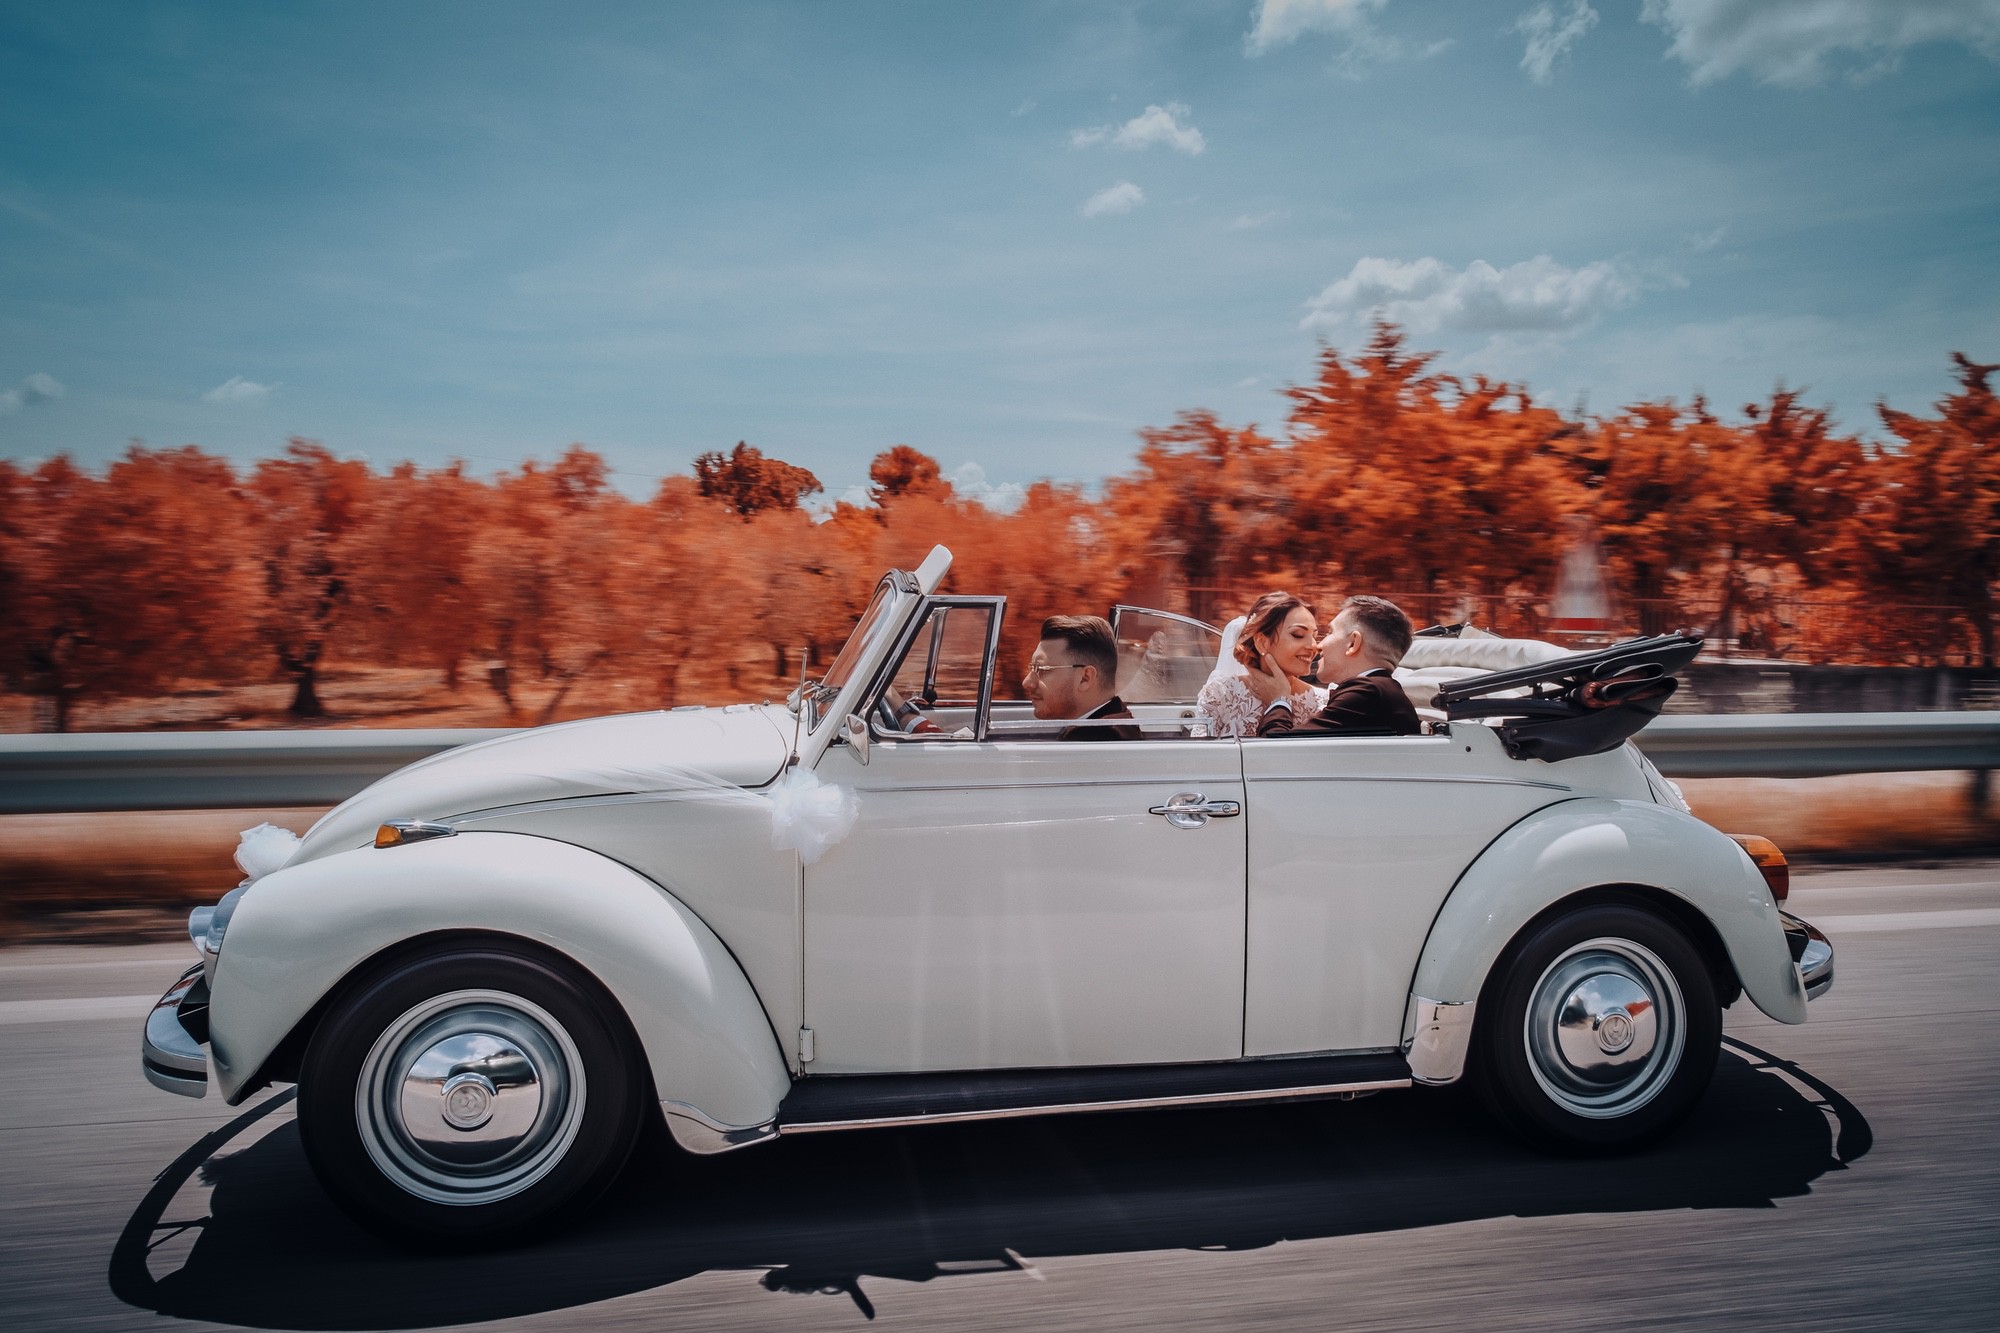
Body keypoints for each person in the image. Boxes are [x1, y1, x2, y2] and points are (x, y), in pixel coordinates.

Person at [1249, 595, 1421, 737]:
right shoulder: (1384, 692)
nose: (1318, 646)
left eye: (1329, 632)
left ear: (1353, 643)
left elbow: (1276, 751)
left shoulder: (1367, 693)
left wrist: (1279, 699)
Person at [1197, 592, 1327, 739]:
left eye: (1315, 636)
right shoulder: (1220, 694)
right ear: (1262, 643)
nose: (1313, 645)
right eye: (1298, 635)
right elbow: (1198, 757)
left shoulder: (1322, 702)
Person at [1022, 615, 1142, 741]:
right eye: (1032, 668)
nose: (1027, 682)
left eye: (1041, 669)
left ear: (1085, 678)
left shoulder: (1093, 738)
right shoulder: (1117, 722)